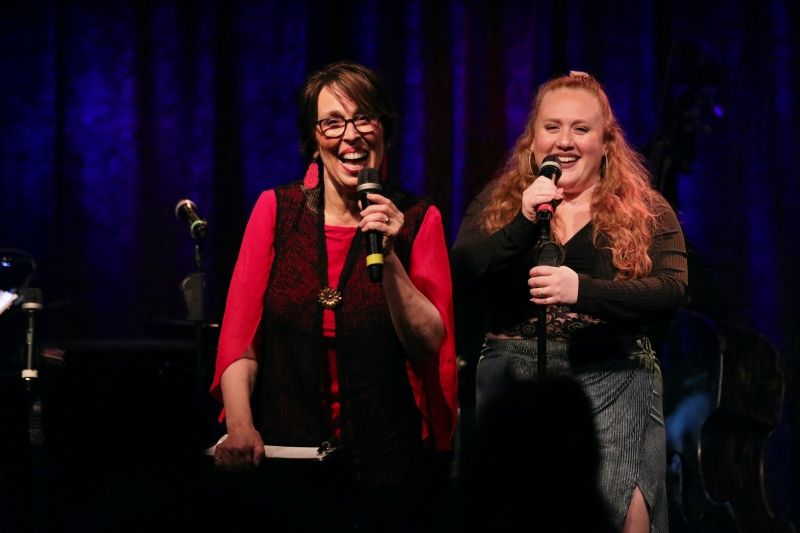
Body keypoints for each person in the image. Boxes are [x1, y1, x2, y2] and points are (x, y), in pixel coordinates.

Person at [208, 60, 458, 532]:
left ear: (384, 129)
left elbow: (429, 343)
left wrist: (390, 257)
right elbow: (241, 343)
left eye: (363, 118)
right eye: (333, 123)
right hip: (287, 460)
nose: (351, 136)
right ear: (314, 136)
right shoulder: (277, 210)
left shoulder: (418, 219)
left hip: (385, 467)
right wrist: (240, 426)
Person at [450, 71, 688, 533]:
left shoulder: (646, 209)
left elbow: (671, 289)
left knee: (618, 514)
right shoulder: (502, 202)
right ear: (532, 138)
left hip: (614, 375)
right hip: (514, 381)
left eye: (581, 128)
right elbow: (461, 270)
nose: (565, 141)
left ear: (606, 142)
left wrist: (583, 291)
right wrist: (522, 221)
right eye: (552, 126)